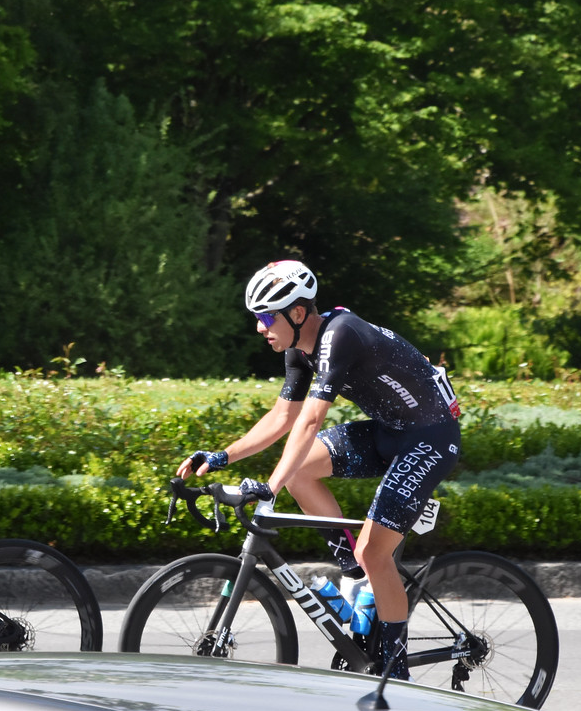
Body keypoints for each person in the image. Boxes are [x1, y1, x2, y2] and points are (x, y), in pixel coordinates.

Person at [177, 260, 461, 679]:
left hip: (429, 439)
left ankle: (395, 671)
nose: (259, 327)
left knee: (373, 551)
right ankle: (356, 574)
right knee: (301, 473)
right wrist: (222, 456)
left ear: (297, 313)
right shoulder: (298, 350)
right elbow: (283, 416)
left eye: (266, 318)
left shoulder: (340, 334)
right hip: (390, 432)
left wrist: (269, 487)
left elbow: (311, 420)